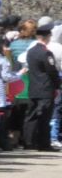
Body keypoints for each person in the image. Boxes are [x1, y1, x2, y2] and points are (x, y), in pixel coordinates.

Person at [21, 23, 58, 151]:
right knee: (44, 117)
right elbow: (52, 71)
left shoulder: (30, 52)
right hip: (46, 89)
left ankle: (28, 141)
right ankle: (43, 143)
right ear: (47, 37)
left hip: (33, 87)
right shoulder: (46, 53)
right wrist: (57, 86)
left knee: (31, 116)